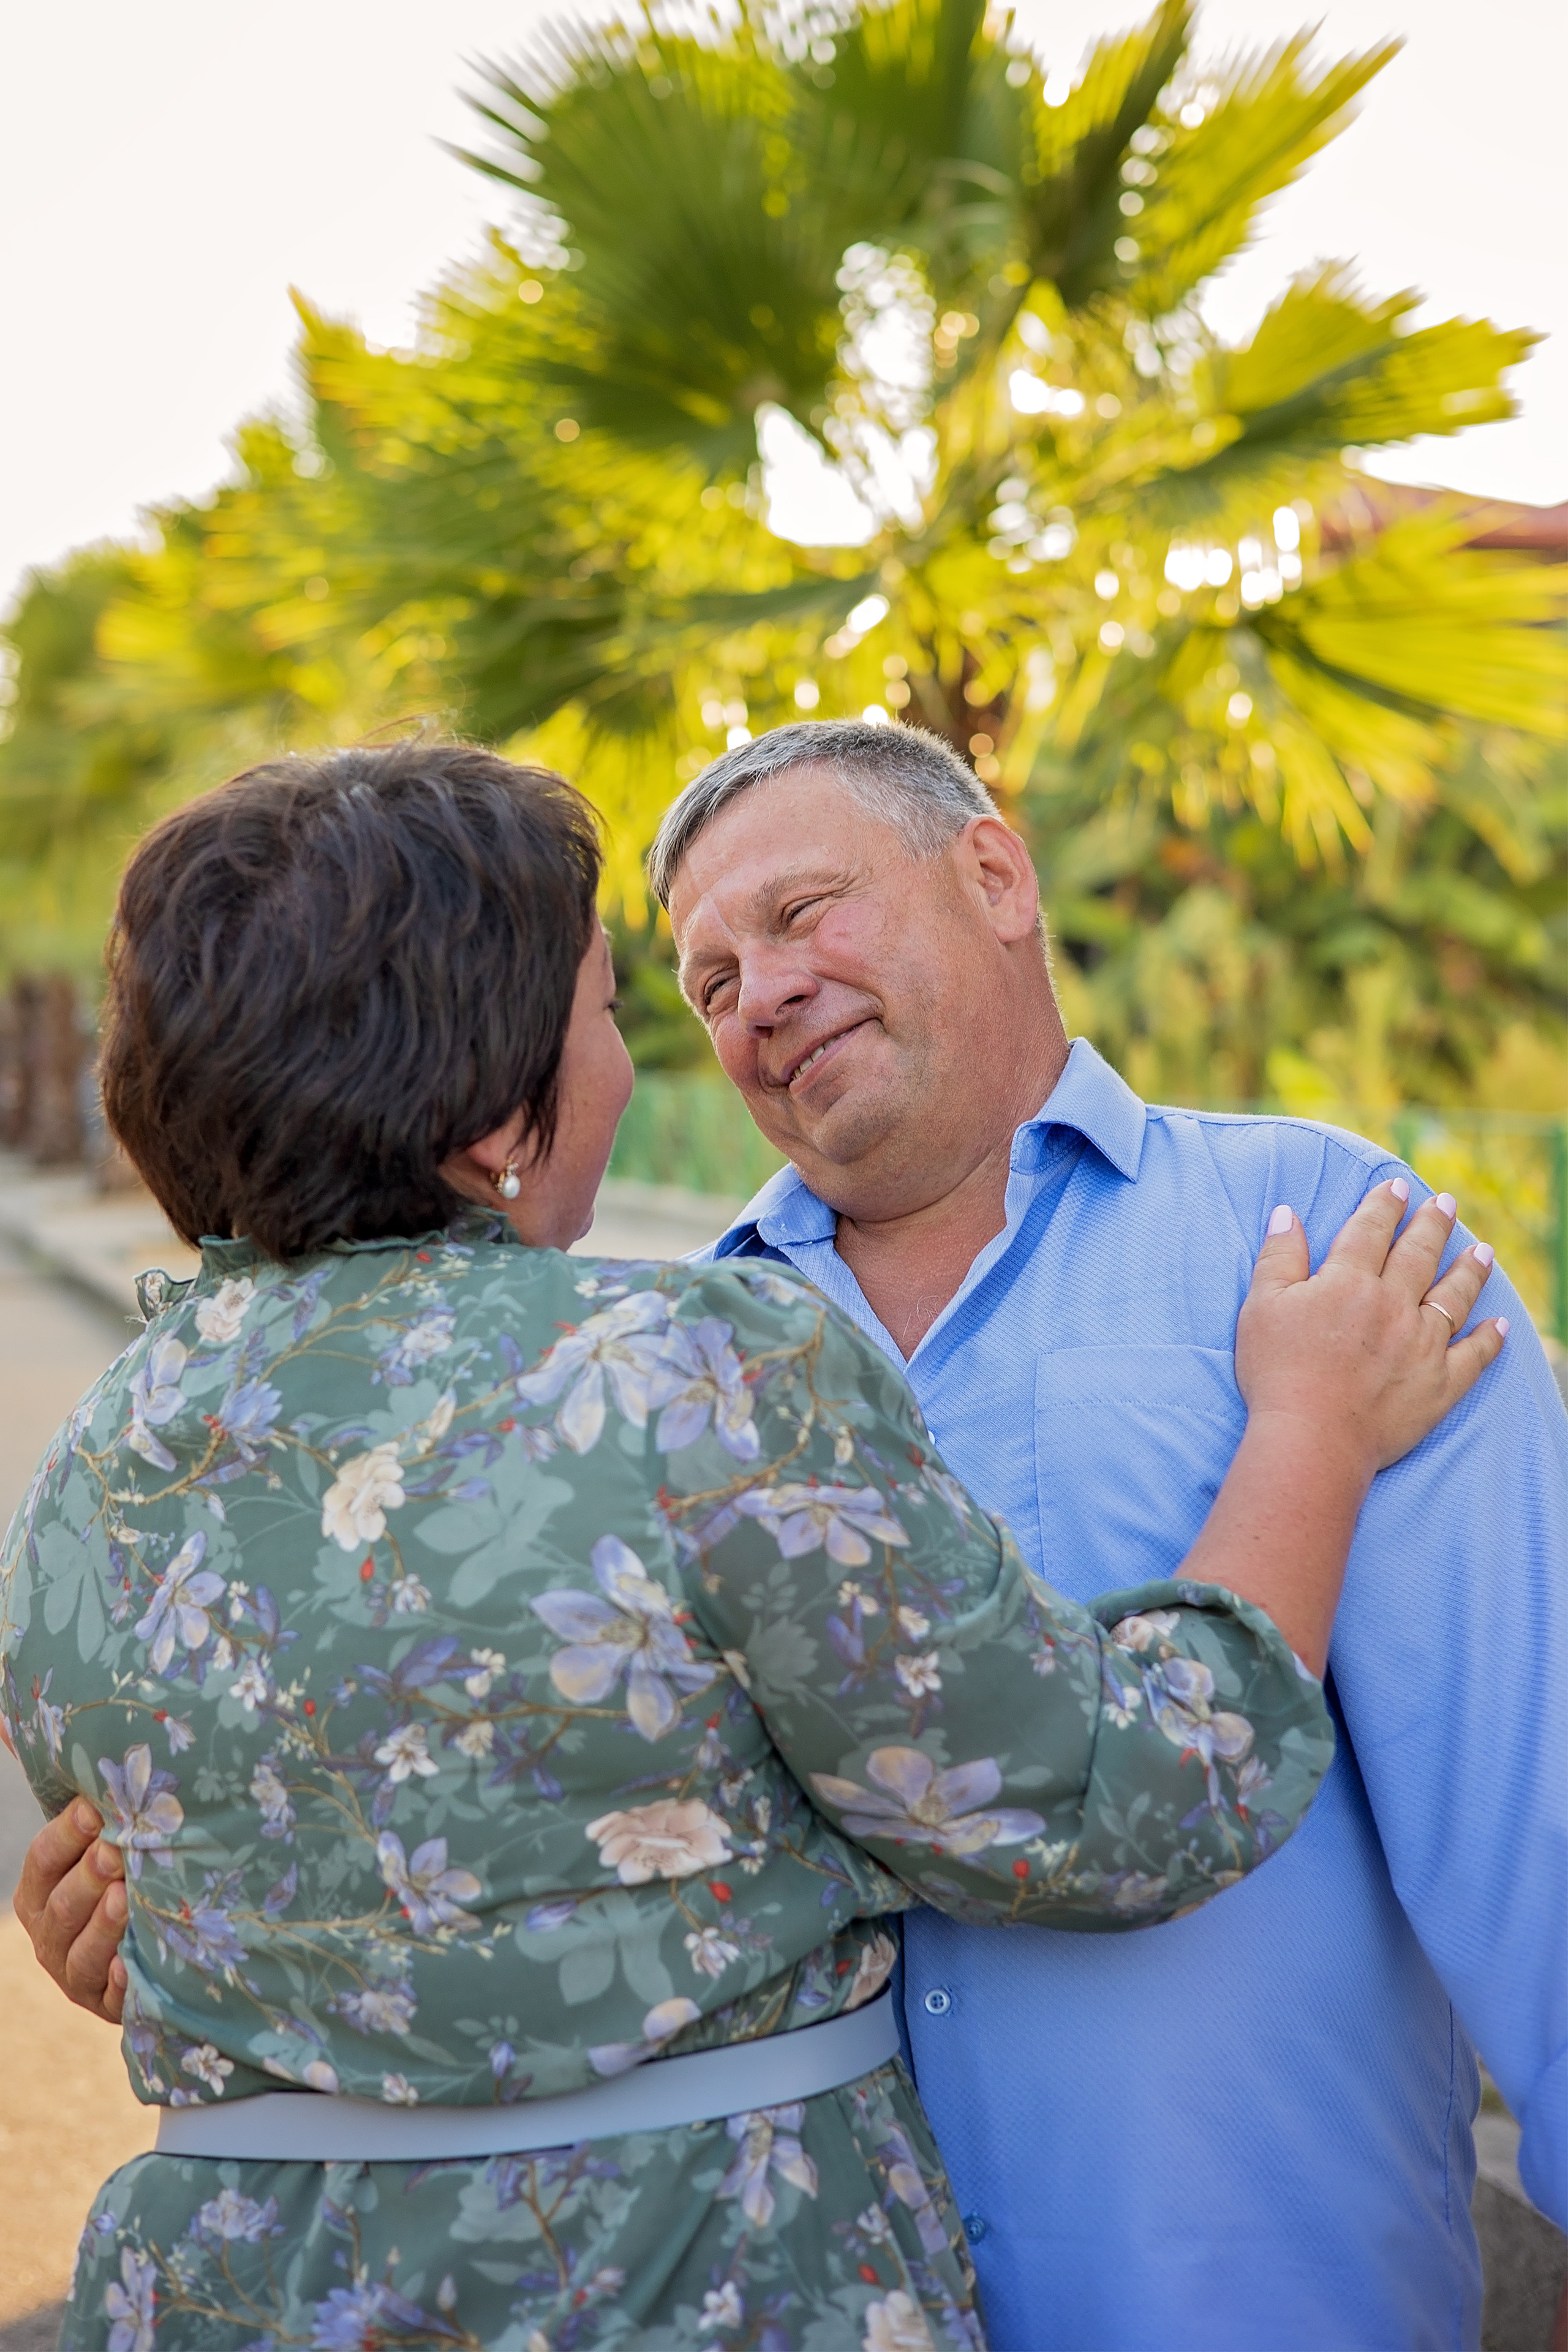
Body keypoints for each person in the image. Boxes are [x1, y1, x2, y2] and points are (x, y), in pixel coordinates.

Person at [0, 740, 1498, 2351]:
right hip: (678, 2278)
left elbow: (217, 1922)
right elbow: (1122, 1807)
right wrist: (1311, 1435)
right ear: (494, 1091)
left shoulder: (90, 1471)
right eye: (611, 1009)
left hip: (221, 2297)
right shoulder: (695, 1372)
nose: (647, 1062)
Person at [636, 718, 1564, 2352]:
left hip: (1266, 2302)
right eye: (712, 983)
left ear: (994, 871)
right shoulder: (663, 1369)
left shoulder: (1326, 1240)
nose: (759, 994)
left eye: (803, 913)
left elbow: (1533, 1810)